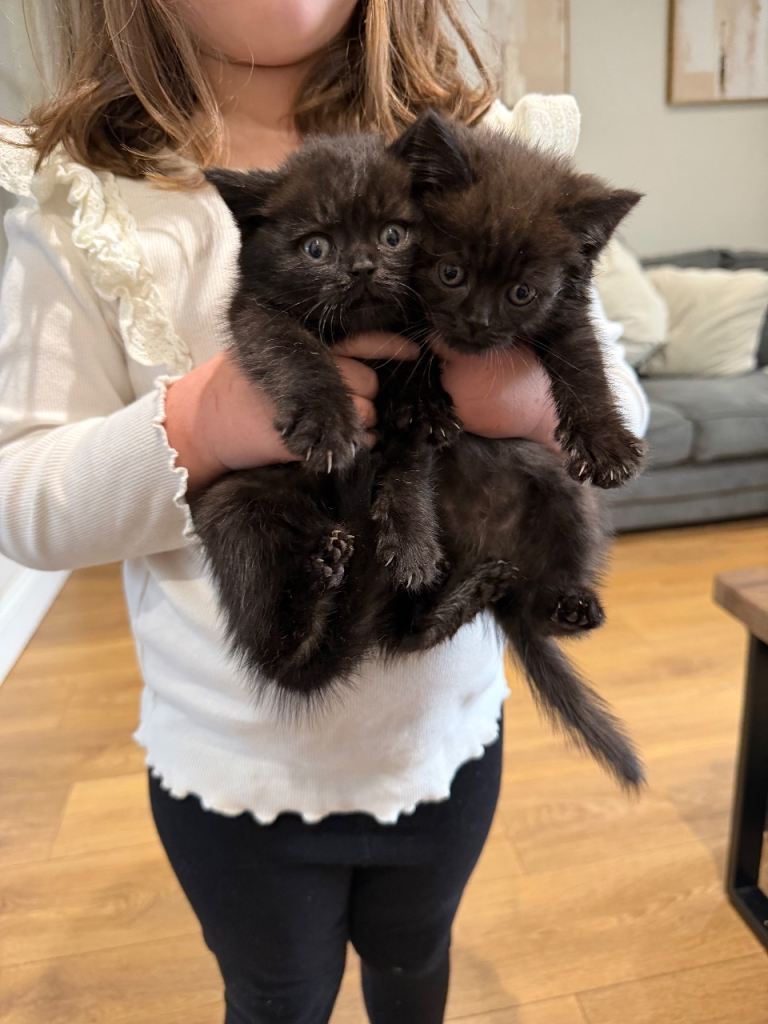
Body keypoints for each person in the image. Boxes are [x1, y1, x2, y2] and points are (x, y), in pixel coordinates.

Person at [0, 2, 649, 1022]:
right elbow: (23, 500)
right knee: (277, 995)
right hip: (238, 765)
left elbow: (615, 413)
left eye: (394, 239)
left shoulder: (464, 148)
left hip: (443, 738)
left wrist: (510, 395)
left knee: (416, 961)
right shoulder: (83, 194)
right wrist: (200, 423)